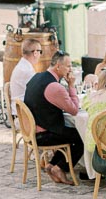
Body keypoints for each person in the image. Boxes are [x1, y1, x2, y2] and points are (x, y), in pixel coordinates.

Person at [24, 51, 84, 185]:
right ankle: (60, 168)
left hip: (32, 131)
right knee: (81, 136)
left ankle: (51, 166)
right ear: (58, 66)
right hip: (44, 134)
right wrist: (71, 86)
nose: (70, 69)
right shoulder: (55, 87)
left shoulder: (36, 77)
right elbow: (74, 110)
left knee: (68, 133)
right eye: (68, 66)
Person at [9, 37, 41, 108]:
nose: (40, 55)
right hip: (23, 114)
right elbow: (38, 93)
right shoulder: (26, 70)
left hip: (19, 110)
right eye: (40, 52)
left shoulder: (23, 65)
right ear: (35, 53)